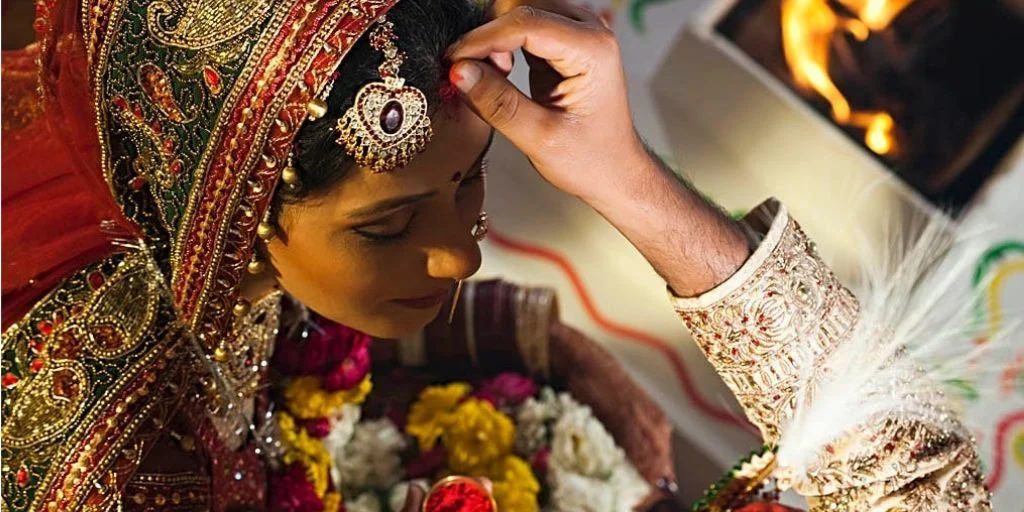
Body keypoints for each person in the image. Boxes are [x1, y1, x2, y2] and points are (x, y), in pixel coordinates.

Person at [0, 0, 988, 510]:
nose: (457, 260)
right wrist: (631, 185)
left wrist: (539, 331)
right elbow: (919, 481)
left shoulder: (206, 263)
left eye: (472, 181)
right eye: (386, 226)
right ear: (222, 207)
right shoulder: (117, 468)